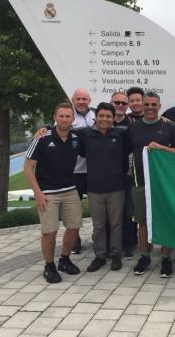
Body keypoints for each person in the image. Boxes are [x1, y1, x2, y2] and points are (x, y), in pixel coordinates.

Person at [128, 92, 175, 278]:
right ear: (142, 106)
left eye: (154, 104)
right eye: (147, 104)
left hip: (164, 183)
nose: (150, 107)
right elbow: (127, 151)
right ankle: (145, 256)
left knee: (165, 220)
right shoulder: (134, 127)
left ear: (159, 106)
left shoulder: (169, 127)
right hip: (141, 181)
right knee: (142, 222)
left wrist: (161, 148)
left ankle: (166, 258)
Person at [24, 103, 83, 283]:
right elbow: (27, 168)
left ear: (73, 119)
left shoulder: (76, 138)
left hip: (69, 189)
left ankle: (64, 260)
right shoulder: (42, 137)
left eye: (68, 116)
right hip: (48, 192)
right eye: (61, 116)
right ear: (55, 117)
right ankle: (49, 266)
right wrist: (38, 194)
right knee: (50, 232)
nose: (65, 119)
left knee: (74, 227)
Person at [78, 102, 129, 273]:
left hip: (116, 187)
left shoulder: (121, 134)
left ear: (113, 118)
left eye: (108, 116)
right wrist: (45, 128)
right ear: (96, 117)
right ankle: (100, 256)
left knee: (116, 224)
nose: (105, 119)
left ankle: (116, 255)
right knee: (98, 225)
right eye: (101, 116)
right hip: (94, 188)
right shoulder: (85, 134)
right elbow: (63, 128)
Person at [110, 92, 136, 259]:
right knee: (109, 213)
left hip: (126, 174)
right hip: (108, 175)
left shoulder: (132, 124)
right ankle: (109, 245)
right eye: (117, 102)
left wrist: (131, 168)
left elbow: (135, 147)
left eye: (123, 103)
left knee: (127, 211)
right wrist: (47, 127)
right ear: (111, 103)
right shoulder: (103, 121)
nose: (120, 105)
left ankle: (128, 244)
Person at [70, 88, 95, 254]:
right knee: (73, 208)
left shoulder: (96, 114)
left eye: (84, 99)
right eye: (78, 99)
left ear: (89, 100)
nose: (81, 101)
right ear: (73, 100)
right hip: (74, 171)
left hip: (94, 169)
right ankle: (74, 240)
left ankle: (98, 237)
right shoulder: (66, 116)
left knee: (97, 207)